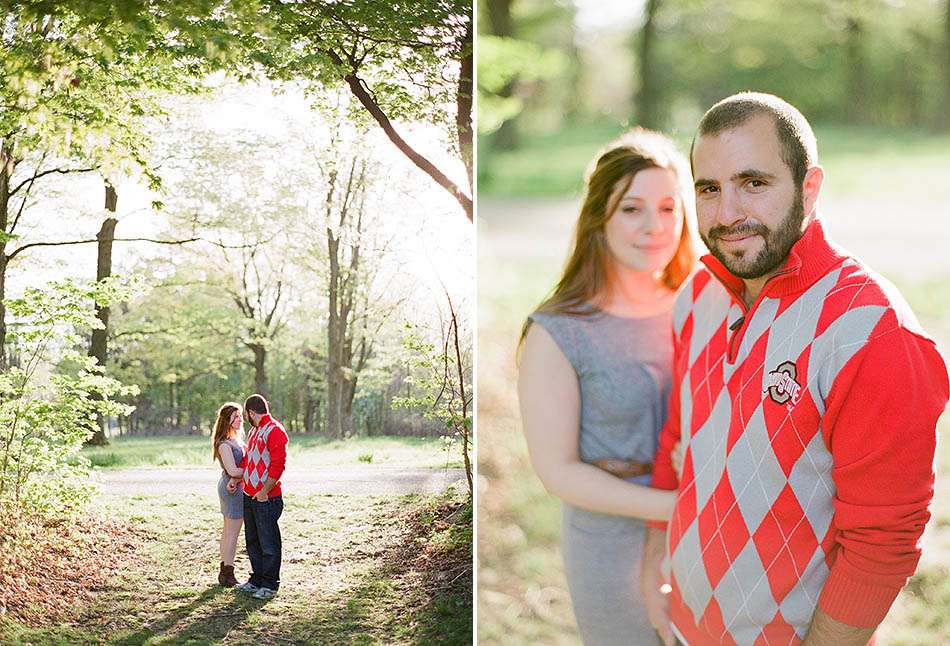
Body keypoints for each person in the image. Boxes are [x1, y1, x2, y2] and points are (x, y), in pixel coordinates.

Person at [641, 92, 949, 646]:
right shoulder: (696, 295)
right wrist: (651, 565)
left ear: (809, 188)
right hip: (682, 628)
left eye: (753, 183)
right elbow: (677, 442)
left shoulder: (869, 330)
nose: (727, 213)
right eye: (709, 188)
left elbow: (884, 543)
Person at [517, 128, 697, 645]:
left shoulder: (703, 305)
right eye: (632, 209)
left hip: (708, 530)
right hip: (611, 540)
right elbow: (558, 473)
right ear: (599, 218)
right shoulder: (558, 332)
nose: (655, 226)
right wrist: (678, 508)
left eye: (669, 208)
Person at [230, 393, 288, 601]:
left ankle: (270, 585)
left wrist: (264, 491)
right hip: (249, 495)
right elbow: (248, 461)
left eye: (247, 414)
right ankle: (256, 580)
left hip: (267, 498)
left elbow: (278, 465)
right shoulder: (255, 431)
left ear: (251, 412)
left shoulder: (275, 431)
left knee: (268, 543)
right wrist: (237, 480)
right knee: (253, 540)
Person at [212, 401, 245, 587]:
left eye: (240, 416)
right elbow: (233, 470)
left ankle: (224, 572)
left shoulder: (236, 440)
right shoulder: (224, 444)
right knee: (231, 533)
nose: (240, 420)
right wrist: (254, 471)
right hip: (231, 491)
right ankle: (228, 573)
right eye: (236, 417)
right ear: (227, 421)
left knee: (228, 532)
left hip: (233, 486)